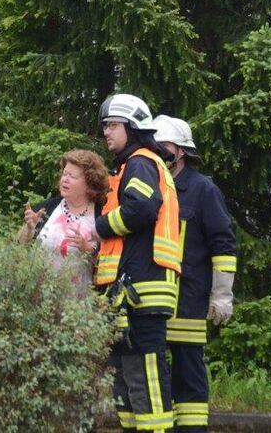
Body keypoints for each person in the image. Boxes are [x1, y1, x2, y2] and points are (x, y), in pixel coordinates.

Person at [87, 93, 181, 433]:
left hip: (143, 288)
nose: (106, 133)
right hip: (131, 291)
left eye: (112, 125)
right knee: (127, 380)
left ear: (133, 127)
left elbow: (140, 209)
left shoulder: (142, 162)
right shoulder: (133, 165)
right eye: (105, 126)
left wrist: (96, 229)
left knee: (145, 378)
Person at [153, 115, 237, 433]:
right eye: (154, 145)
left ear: (182, 151)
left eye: (165, 145)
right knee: (153, 373)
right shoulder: (150, 187)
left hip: (188, 298)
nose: (159, 151)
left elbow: (223, 243)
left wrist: (222, 294)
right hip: (152, 298)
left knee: (188, 372)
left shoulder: (203, 190)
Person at [19, 149, 109, 291]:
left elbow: (109, 263)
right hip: (39, 297)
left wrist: (87, 248)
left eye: (72, 176)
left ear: (89, 183)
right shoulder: (48, 207)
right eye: (64, 174)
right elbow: (21, 246)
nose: (65, 179)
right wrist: (30, 228)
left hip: (78, 305)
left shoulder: (102, 214)